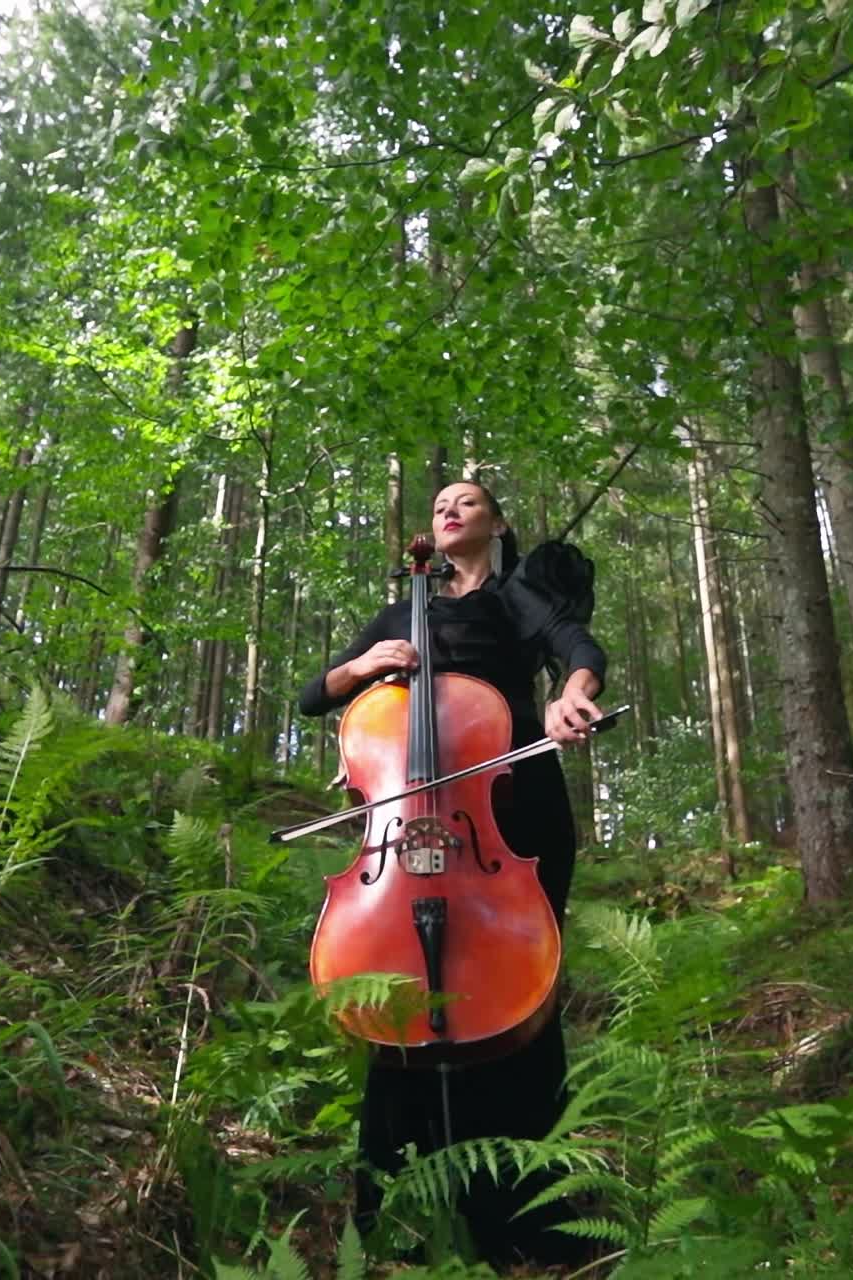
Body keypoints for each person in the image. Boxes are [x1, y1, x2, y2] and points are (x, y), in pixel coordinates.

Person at [298, 479, 606, 1268]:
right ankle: (396, 1198)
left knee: (513, 989)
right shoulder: (403, 613)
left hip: (509, 812)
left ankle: (523, 1204)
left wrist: (571, 696)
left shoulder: (516, 598)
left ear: (496, 522)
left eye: (469, 501)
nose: (450, 509)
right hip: (406, 830)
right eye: (440, 502)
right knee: (402, 991)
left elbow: (578, 648)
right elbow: (312, 696)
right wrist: (362, 665)